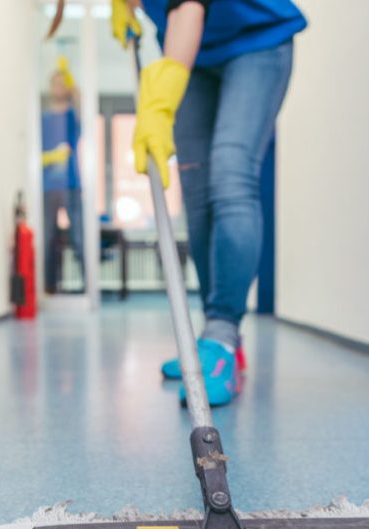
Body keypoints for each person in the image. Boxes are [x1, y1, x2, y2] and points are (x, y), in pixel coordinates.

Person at [112, 0, 306, 406]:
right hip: (195, 53)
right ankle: (213, 339)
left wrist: (160, 103)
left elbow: (188, 8)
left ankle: (222, 332)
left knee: (231, 176)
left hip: (258, 41)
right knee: (197, 194)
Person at [41, 57, 85, 293]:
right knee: (49, 238)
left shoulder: (71, 116)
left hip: (71, 184)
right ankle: (49, 287)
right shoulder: (43, 118)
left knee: (79, 237)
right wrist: (48, 157)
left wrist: (69, 74)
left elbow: (81, 103)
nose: (58, 87)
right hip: (48, 187)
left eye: (62, 83)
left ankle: (88, 287)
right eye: (55, 82)